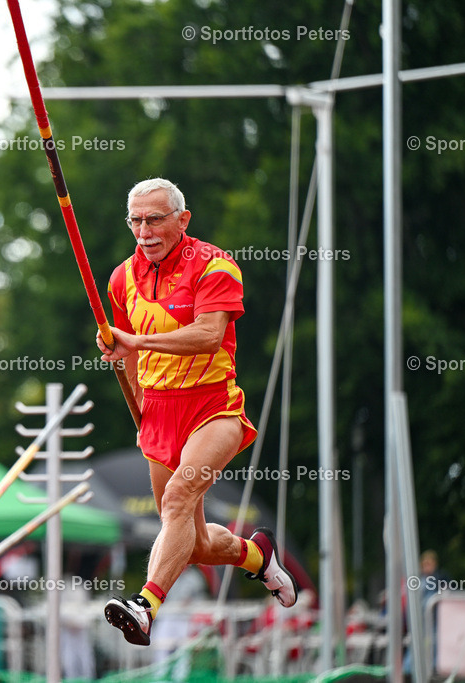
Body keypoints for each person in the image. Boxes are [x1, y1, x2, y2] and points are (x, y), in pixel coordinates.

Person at [96, 178, 297, 646]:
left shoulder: (214, 265)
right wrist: (136, 398)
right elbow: (126, 355)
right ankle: (257, 554)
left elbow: (208, 335)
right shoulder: (121, 279)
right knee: (195, 542)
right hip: (158, 413)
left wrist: (135, 341)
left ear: (182, 219)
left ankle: (145, 606)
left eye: (154, 219)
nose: (144, 231)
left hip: (213, 408)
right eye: (135, 221)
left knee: (177, 499)